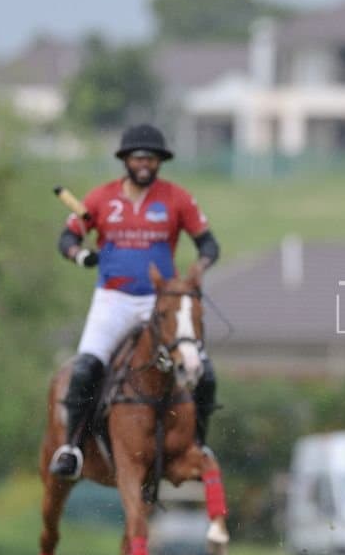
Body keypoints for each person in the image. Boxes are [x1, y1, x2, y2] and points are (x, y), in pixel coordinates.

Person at [48, 124, 221, 480]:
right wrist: (80, 255)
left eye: (152, 158)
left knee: (204, 373)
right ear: (126, 159)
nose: (145, 163)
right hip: (113, 300)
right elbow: (68, 236)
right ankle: (72, 448)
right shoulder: (99, 199)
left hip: (161, 305)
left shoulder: (177, 199)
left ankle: (198, 443)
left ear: (160, 163)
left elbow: (208, 244)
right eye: (139, 157)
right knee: (85, 369)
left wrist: (200, 267)